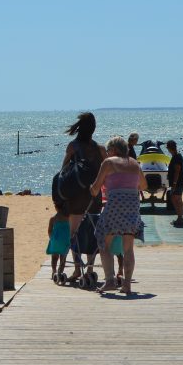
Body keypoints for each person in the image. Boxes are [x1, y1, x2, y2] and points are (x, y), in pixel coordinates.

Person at [89, 135, 147, 295]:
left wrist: (92, 189)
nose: (107, 154)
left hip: (115, 206)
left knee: (103, 241)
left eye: (108, 151)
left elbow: (95, 188)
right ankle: (127, 285)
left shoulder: (108, 163)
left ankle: (110, 281)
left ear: (113, 150)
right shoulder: (134, 163)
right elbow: (143, 185)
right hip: (133, 207)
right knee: (128, 248)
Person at [58, 112, 106, 282]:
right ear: (93, 129)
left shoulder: (73, 146)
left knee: (74, 233)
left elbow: (63, 170)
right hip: (94, 197)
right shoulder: (100, 149)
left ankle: (78, 269)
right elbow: (105, 172)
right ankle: (90, 268)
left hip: (76, 198)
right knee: (93, 232)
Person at [47, 202, 71, 283]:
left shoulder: (53, 218)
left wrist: (52, 239)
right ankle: (60, 271)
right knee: (63, 258)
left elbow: (49, 231)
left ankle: (54, 271)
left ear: (56, 208)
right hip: (65, 240)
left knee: (54, 257)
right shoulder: (68, 218)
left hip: (56, 240)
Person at [166, 139, 183, 227]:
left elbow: (177, 171)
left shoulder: (177, 157)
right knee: (175, 199)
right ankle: (179, 218)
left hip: (178, 182)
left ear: (169, 148)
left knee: (176, 199)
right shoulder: (175, 156)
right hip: (177, 182)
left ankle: (180, 218)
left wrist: (174, 183)